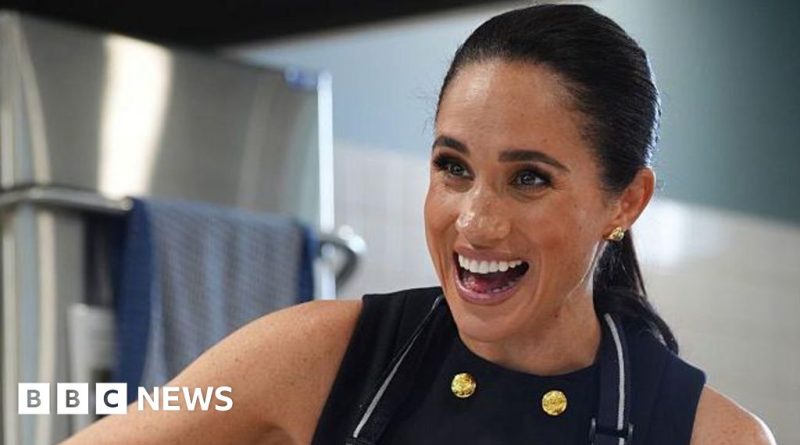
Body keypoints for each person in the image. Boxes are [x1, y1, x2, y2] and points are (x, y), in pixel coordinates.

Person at [62, 4, 775, 445]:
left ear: (625, 201)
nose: (475, 220)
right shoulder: (312, 355)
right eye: (453, 167)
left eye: (529, 178)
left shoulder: (714, 436)